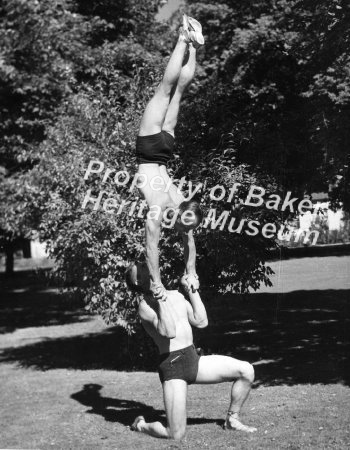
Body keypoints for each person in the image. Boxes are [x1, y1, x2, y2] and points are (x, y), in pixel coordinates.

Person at [125, 261, 257, 441]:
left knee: (246, 370)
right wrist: (160, 299)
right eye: (140, 271)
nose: (146, 268)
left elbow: (201, 321)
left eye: (145, 265)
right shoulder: (145, 306)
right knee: (175, 434)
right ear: (139, 282)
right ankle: (141, 425)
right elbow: (168, 332)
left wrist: (192, 291)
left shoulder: (176, 296)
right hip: (173, 367)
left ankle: (232, 420)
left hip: (193, 359)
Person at [135, 15, 204, 302]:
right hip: (151, 150)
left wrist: (192, 270)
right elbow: (151, 247)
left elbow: (189, 239)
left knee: (178, 93)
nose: (182, 232)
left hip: (165, 150)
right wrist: (156, 283)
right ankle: (184, 39)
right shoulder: (161, 209)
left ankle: (195, 46)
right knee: (166, 90)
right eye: (182, 227)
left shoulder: (181, 204)